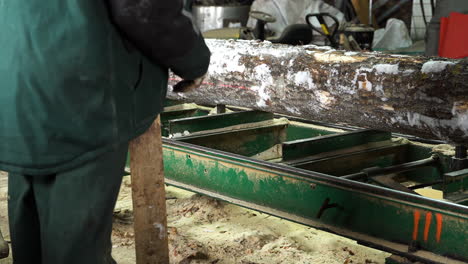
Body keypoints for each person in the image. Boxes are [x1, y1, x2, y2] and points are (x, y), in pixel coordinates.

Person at [0, 0, 210, 263]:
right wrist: (194, 59)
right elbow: (143, 8)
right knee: (77, 246)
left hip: (15, 81)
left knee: (31, 227)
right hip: (82, 94)